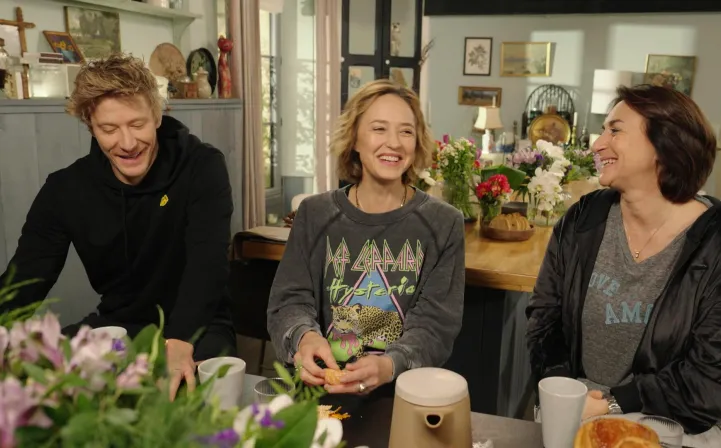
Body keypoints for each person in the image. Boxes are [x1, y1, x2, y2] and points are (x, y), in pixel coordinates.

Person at [526, 85, 721, 448]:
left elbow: (712, 376)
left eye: (615, 131)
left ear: (665, 144)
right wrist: (565, 391)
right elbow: (544, 318)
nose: (598, 144)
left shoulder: (719, 243)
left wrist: (612, 404)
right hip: (575, 405)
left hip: (668, 421)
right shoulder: (584, 219)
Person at [0, 54, 236, 400]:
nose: (127, 143)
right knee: (44, 381)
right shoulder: (65, 190)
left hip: (199, 326)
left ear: (157, 115)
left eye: (137, 124)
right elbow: (25, 279)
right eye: (109, 129)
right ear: (90, 125)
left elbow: (208, 264)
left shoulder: (202, 166)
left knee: (179, 400)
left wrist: (179, 339)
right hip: (118, 325)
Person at [267, 79, 465, 395]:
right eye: (379, 129)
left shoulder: (444, 223)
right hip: (318, 394)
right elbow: (288, 302)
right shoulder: (314, 214)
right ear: (354, 139)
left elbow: (435, 326)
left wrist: (390, 364)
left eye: (406, 131)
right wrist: (305, 337)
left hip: (402, 396)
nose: (394, 143)